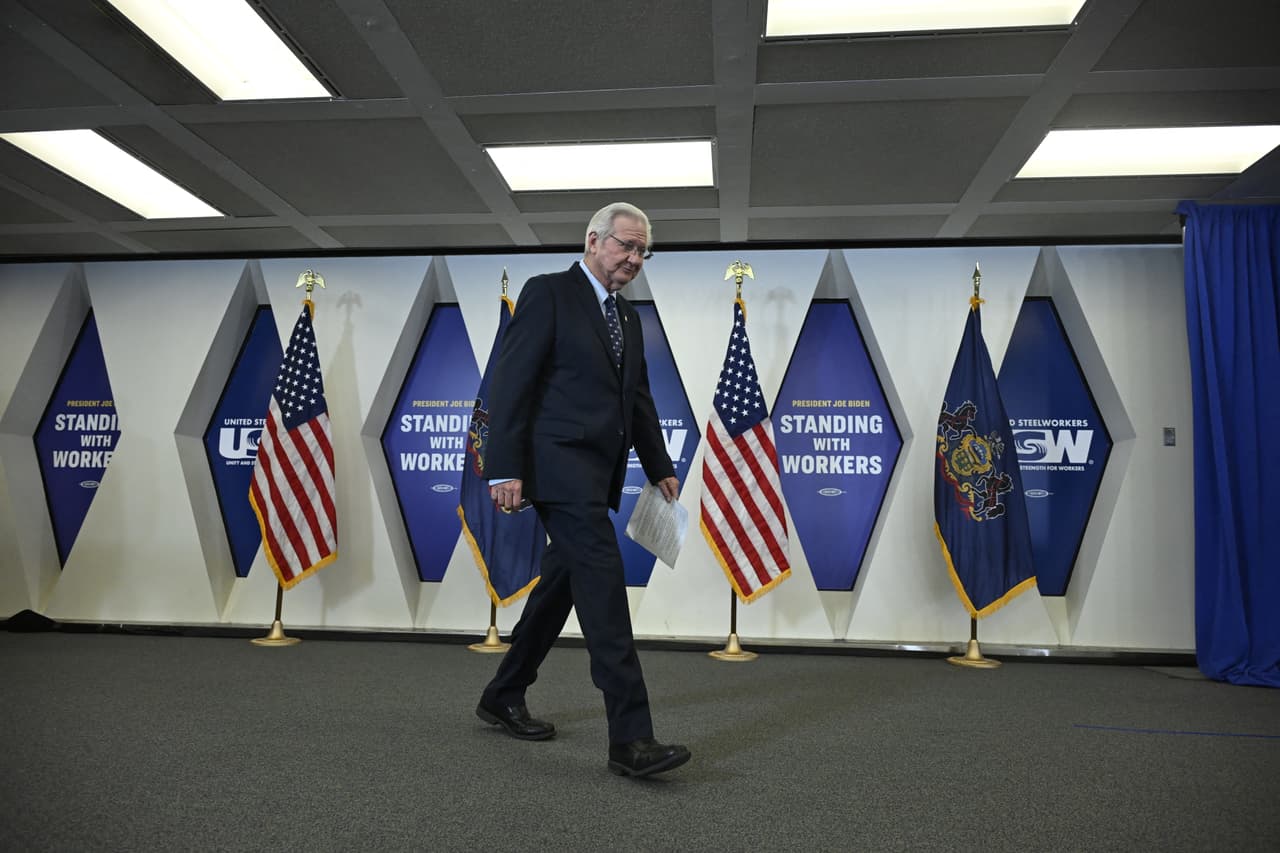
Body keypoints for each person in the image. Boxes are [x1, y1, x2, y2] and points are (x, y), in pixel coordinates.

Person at [475, 202, 690, 778]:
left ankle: (503, 693)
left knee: (560, 588)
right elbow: (510, 383)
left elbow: (637, 400)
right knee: (604, 593)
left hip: (600, 477)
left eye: (643, 250)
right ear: (593, 240)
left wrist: (658, 463)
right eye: (626, 245)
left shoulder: (630, 318)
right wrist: (504, 469)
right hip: (556, 471)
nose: (634, 258)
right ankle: (631, 738)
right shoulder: (547, 292)